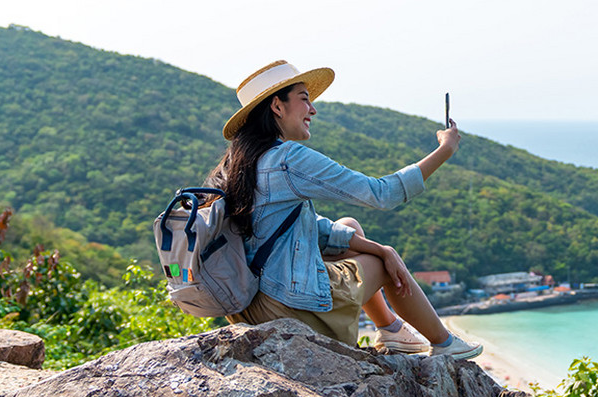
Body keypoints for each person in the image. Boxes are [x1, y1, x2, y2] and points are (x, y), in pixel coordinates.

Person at [205, 60, 481, 359]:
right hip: (286, 306)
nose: (312, 110)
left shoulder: (237, 164)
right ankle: (445, 345)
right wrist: (445, 150)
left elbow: (297, 226)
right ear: (277, 106)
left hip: (249, 305)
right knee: (386, 268)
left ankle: (391, 330)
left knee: (350, 226)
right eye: (304, 98)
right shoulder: (287, 159)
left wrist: (376, 247)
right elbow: (382, 193)